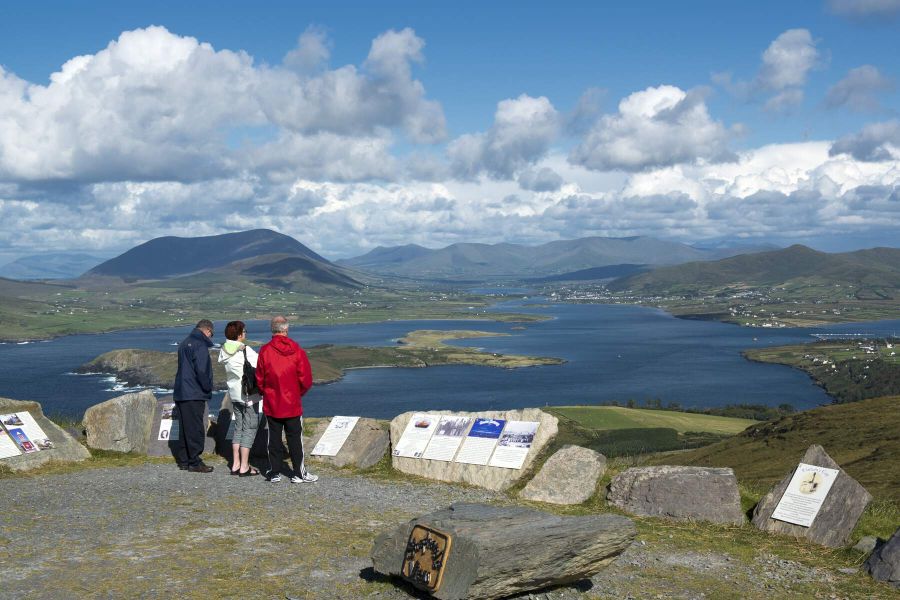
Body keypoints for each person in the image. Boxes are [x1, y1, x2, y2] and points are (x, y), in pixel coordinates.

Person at [255, 315, 317, 483]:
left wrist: (266, 392)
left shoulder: (265, 351)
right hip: (292, 403)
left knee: (273, 439)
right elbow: (306, 378)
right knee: (295, 440)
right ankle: (298, 473)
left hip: (272, 402)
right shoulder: (296, 349)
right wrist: (297, 394)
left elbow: (259, 378)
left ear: (272, 329)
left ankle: (274, 472)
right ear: (286, 329)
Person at [218, 320, 261, 477]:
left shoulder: (224, 350)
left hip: (234, 394)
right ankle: (244, 466)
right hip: (248, 394)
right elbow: (260, 365)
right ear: (239, 334)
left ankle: (235, 463)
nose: (245, 333)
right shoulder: (244, 350)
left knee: (238, 427)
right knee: (249, 428)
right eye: (244, 331)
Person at [172, 319, 215, 473]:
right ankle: (195, 461)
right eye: (212, 334)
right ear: (207, 330)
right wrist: (208, 388)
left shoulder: (185, 343)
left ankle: (184, 460)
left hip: (181, 392)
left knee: (184, 428)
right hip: (194, 392)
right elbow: (202, 371)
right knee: (195, 428)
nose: (211, 338)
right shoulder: (200, 345)